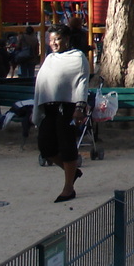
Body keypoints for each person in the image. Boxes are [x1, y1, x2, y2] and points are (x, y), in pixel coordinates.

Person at [33, 23, 90, 202]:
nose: (54, 43)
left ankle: (68, 188)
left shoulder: (78, 57)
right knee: (45, 146)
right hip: (49, 108)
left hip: (68, 107)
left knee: (67, 146)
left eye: (57, 39)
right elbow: (42, 82)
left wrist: (80, 108)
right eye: (50, 40)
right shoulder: (50, 58)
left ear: (66, 39)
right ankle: (72, 172)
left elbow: (81, 82)